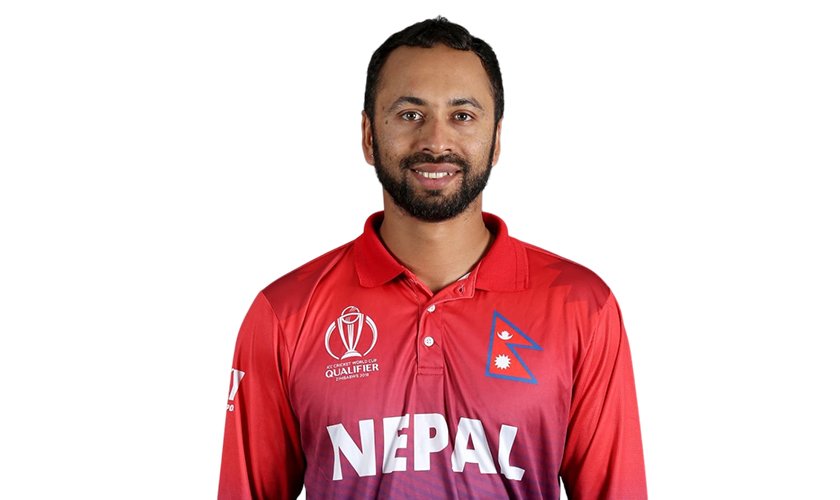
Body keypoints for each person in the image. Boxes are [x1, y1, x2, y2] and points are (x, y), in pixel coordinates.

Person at [218, 17, 646, 500]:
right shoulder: (284, 313)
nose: (436, 142)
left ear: (496, 139)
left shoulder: (582, 307)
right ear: (368, 135)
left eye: (462, 116)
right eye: (409, 114)